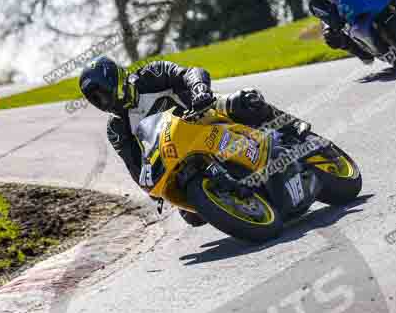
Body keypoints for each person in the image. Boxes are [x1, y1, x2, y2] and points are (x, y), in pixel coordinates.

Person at [79, 56, 310, 227]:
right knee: (193, 216)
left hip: (204, 113)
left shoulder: (151, 75)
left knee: (246, 100)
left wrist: (199, 90)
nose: (102, 101)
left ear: (114, 79)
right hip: (176, 155)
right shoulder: (116, 128)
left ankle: (291, 125)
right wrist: (153, 191)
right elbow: (134, 165)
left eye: (102, 92)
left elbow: (189, 72)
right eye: (95, 99)